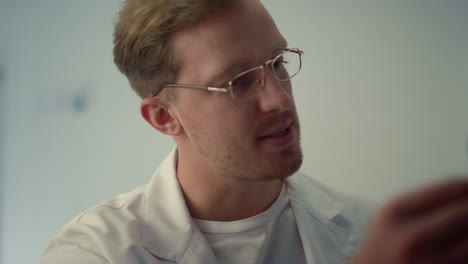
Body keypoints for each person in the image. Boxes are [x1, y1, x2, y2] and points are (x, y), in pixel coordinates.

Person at [41, 0, 468, 263]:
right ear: (163, 118)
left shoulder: (365, 228)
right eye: (238, 82)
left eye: (278, 63)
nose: (279, 100)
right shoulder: (94, 253)